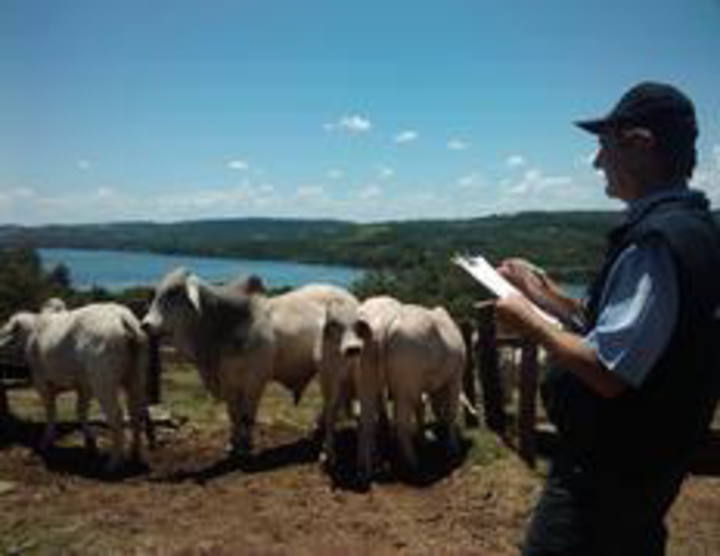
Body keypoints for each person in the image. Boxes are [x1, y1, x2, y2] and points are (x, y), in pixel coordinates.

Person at [494, 82, 720, 555]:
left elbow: (609, 369)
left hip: (604, 476)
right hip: (648, 463)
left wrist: (531, 322)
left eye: (605, 146)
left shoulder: (655, 243)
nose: (597, 163)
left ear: (640, 144)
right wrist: (546, 296)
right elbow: (635, 333)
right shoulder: (695, 230)